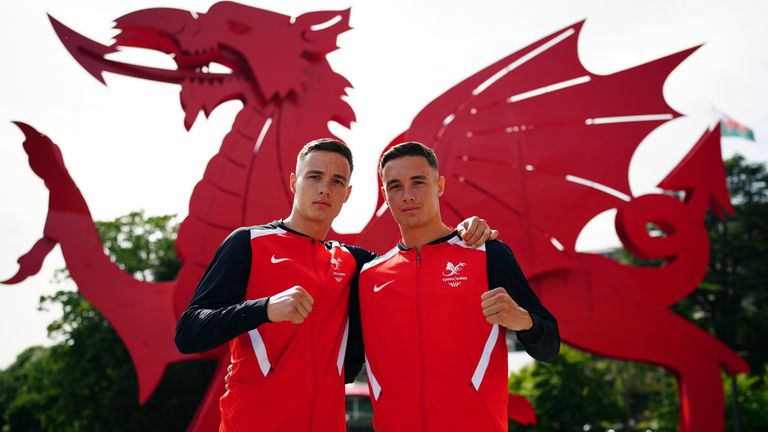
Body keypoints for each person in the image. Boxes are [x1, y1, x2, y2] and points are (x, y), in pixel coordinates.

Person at [174, 138, 497, 431]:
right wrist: (265, 309)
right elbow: (189, 332)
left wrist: (465, 232)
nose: (325, 188)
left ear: (347, 194)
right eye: (314, 177)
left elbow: (417, 259)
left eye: (337, 181)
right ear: (294, 183)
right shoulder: (248, 243)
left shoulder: (356, 263)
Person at [358, 142, 559, 432]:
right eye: (395, 186)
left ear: (439, 185)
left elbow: (549, 346)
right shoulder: (368, 276)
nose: (408, 195)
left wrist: (523, 321)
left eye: (418, 182)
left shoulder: (487, 254)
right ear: (384, 196)